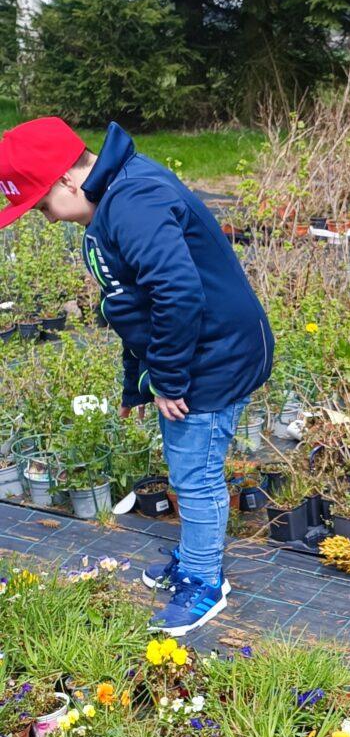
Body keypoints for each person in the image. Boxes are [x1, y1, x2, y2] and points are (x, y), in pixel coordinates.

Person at [0, 116, 274, 636]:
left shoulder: (133, 203)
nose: (44, 217)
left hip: (216, 355)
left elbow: (177, 294)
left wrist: (168, 379)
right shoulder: (114, 197)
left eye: (39, 204)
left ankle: (204, 581)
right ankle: (194, 557)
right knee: (185, 463)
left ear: (66, 180)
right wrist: (138, 382)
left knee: (195, 473)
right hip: (199, 348)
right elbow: (132, 303)